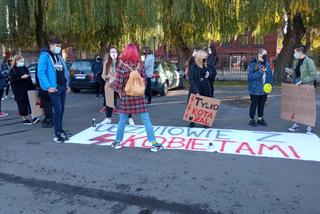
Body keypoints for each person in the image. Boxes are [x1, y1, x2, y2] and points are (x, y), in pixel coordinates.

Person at [111, 44, 163, 152]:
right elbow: (144, 80)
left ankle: (117, 142)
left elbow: (117, 85)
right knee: (146, 120)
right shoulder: (140, 66)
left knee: (122, 121)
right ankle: (154, 143)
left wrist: (112, 85)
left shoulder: (122, 67)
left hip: (126, 98)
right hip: (139, 97)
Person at [38, 37, 70, 143]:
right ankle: (56, 134)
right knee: (58, 110)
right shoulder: (45, 56)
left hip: (62, 87)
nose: (59, 48)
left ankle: (60, 130)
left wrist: (67, 85)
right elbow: (41, 73)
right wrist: (48, 86)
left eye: (60, 46)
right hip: (54, 88)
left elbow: (64, 71)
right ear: (50, 45)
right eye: (57, 46)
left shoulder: (58, 57)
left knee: (62, 110)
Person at [285, 46, 317, 134]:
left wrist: (302, 81)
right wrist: (290, 72)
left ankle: (309, 127)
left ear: (300, 52)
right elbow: (296, 73)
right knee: (297, 106)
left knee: (307, 107)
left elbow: (313, 75)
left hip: (307, 87)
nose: (294, 54)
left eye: (295, 52)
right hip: (297, 86)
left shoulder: (309, 61)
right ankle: (296, 125)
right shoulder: (297, 61)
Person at [100, 47, 134, 125]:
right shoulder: (106, 63)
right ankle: (108, 118)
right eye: (112, 52)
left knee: (125, 101)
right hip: (109, 84)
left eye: (115, 52)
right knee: (109, 102)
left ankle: (130, 118)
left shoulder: (121, 62)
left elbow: (125, 73)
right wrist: (107, 77)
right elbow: (103, 75)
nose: (113, 54)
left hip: (120, 84)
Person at [9, 55, 40, 125]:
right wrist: (21, 77)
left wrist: (34, 86)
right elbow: (12, 81)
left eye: (23, 61)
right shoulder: (12, 70)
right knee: (22, 105)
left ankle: (34, 117)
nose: (22, 62)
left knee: (31, 103)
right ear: (16, 61)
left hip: (28, 88)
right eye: (21, 61)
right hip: (19, 91)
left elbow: (29, 77)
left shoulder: (24, 67)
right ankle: (24, 119)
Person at [247, 48, 273, 127]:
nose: (264, 57)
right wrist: (260, 72)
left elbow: (269, 75)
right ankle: (251, 119)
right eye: (263, 55)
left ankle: (260, 119)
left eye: (265, 55)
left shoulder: (267, 64)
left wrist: (270, 84)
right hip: (255, 89)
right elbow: (250, 77)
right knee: (254, 104)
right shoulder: (253, 64)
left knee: (262, 104)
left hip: (264, 89)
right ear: (259, 54)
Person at [188, 49, 213, 128]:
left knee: (205, 105)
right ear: (199, 57)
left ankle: (205, 122)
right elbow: (191, 80)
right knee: (194, 106)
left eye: (206, 57)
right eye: (204, 57)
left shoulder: (206, 66)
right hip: (196, 89)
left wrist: (209, 75)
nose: (205, 59)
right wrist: (196, 91)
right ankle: (192, 121)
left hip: (205, 88)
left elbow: (212, 73)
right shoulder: (193, 67)